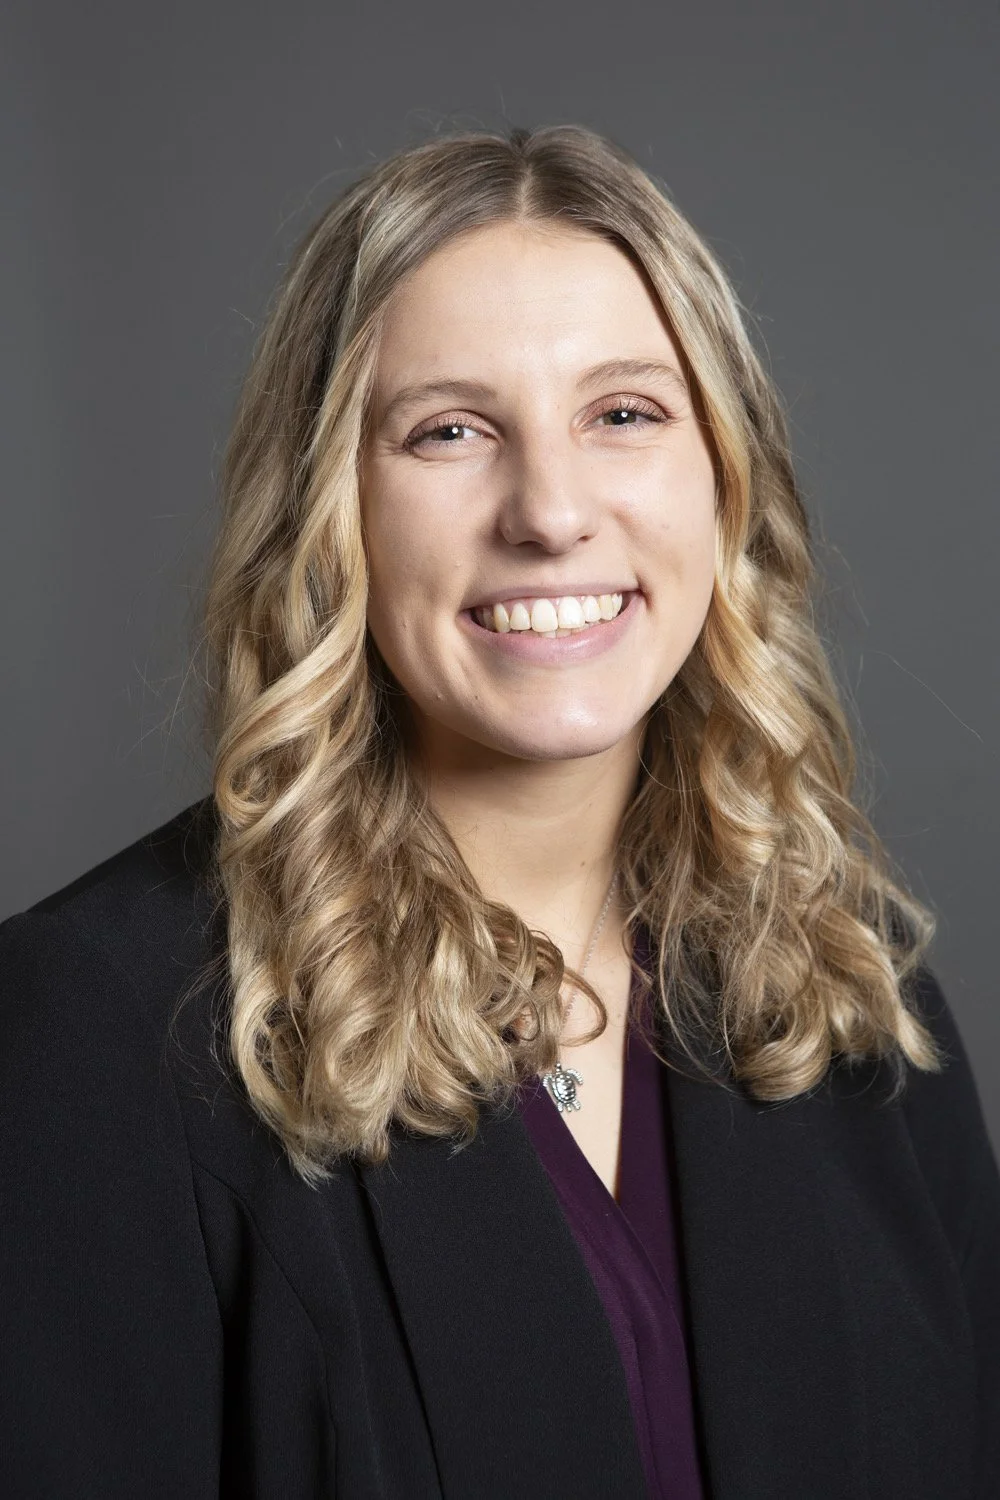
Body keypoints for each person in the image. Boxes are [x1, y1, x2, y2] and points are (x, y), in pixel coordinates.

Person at [1, 124, 997, 1500]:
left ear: (725, 474)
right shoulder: (98, 1034)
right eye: (452, 431)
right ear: (328, 505)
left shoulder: (855, 989)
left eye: (625, 414)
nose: (549, 511)